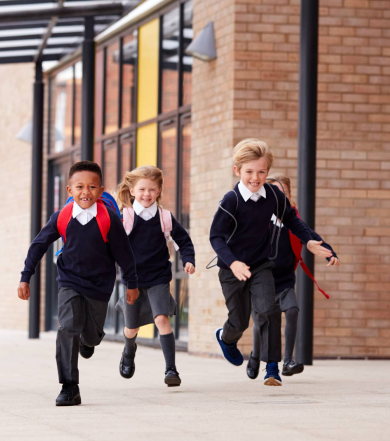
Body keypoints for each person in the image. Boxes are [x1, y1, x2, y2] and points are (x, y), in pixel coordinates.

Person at [209, 139, 334, 386]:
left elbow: (292, 220)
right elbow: (216, 236)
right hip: (232, 269)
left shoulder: (274, 196)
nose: (256, 178)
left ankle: (272, 368)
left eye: (262, 172)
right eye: (249, 172)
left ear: (267, 171)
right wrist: (233, 263)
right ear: (237, 171)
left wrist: (308, 241)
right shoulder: (231, 200)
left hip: (261, 265)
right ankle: (226, 337)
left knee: (269, 310)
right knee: (240, 321)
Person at [18, 161, 138, 406]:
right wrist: (25, 276)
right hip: (69, 281)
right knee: (67, 327)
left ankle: (88, 340)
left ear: (101, 190)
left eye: (92, 187)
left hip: (99, 285)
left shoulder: (109, 218)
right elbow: (39, 245)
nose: (86, 192)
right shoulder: (62, 216)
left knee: (91, 336)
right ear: (69, 191)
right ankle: (69, 386)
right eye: (80, 187)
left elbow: (124, 254)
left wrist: (131, 283)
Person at [247, 174, 339, 379]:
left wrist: (330, 253)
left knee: (292, 310)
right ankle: (254, 355)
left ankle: (287, 361)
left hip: (285, 280)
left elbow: (313, 237)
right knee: (262, 322)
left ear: (289, 197)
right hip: (262, 281)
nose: (280, 198)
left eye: (284, 194)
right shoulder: (259, 219)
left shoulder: (293, 221)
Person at [115, 166, 195, 387]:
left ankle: (171, 369)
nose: (147, 194)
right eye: (142, 189)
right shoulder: (124, 217)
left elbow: (184, 242)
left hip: (159, 277)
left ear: (159, 191)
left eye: (152, 189)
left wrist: (188, 260)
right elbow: (109, 244)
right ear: (132, 191)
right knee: (132, 328)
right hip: (133, 280)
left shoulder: (165, 218)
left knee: (162, 319)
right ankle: (128, 351)